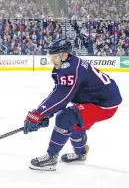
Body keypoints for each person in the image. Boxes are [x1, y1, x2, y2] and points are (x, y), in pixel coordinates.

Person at [24, 39, 122, 171]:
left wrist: (39, 114)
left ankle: (51, 157)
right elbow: (57, 92)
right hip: (99, 98)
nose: (51, 60)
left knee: (65, 118)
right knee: (76, 126)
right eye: (50, 56)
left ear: (64, 55)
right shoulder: (67, 65)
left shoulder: (70, 69)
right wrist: (44, 113)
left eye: (54, 56)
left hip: (104, 104)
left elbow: (62, 96)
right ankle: (80, 154)